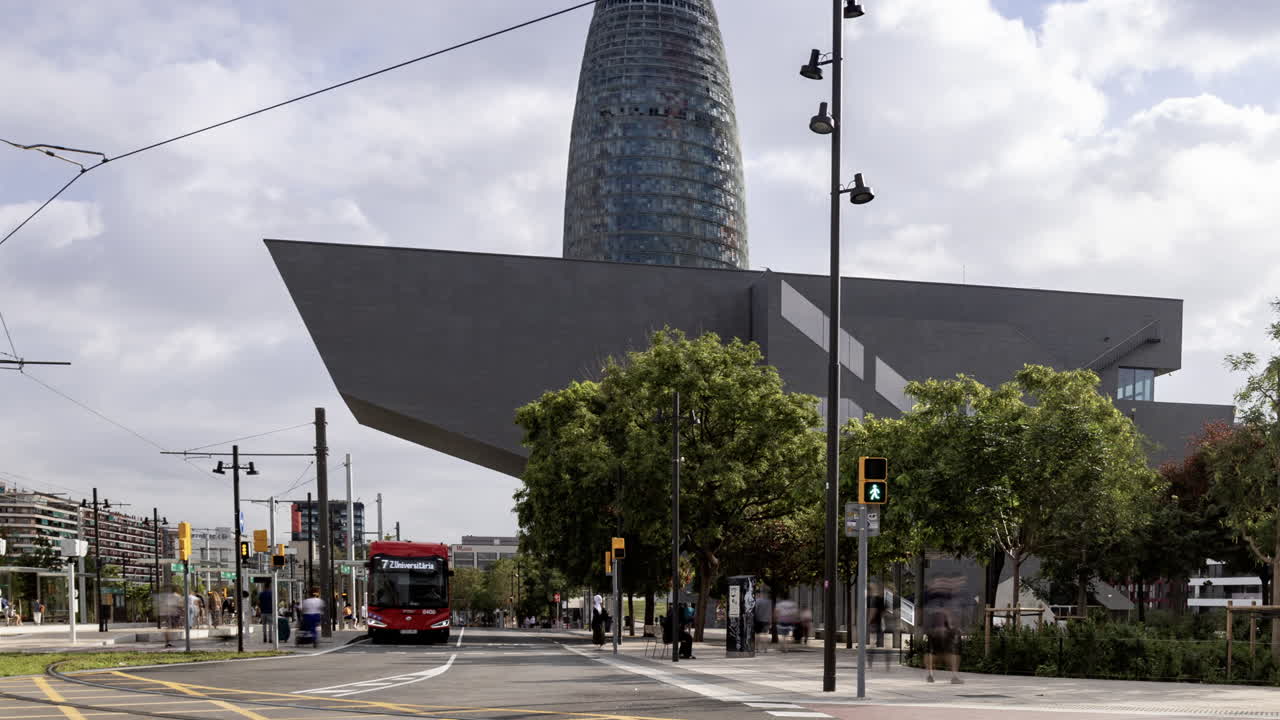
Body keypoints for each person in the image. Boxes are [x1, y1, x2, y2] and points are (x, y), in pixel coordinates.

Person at [924, 575, 964, 684]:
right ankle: (954, 676)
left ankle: (930, 674)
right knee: (951, 652)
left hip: (933, 626)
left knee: (932, 651)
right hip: (943, 627)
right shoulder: (946, 595)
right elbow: (946, 610)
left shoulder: (929, 596)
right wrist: (951, 625)